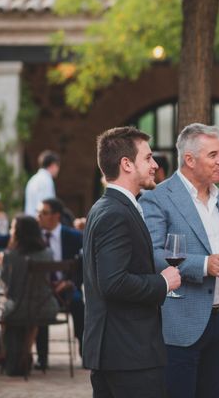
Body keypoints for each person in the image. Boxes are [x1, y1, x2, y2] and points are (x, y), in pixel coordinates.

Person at [140, 123, 219, 398]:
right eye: (213, 155)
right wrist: (204, 265)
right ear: (189, 159)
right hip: (180, 325)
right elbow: (153, 254)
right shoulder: (157, 199)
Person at [83, 127, 181, 398]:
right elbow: (113, 282)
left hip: (119, 351)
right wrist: (163, 282)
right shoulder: (115, 212)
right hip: (128, 354)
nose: (155, 165)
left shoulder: (108, 207)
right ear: (126, 164)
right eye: (148, 158)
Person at [0, 215, 59, 376]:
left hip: (20, 309)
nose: (11, 231)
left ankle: (7, 354)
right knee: (31, 314)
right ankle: (26, 352)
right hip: (46, 307)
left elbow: (7, 287)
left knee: (5, 313)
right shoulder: (48, 253)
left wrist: (4, 261)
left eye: (12, 228)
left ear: (18, 232)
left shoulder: (11, 255)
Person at [34, 197, 84, 370]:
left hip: (67, 288)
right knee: (37, 305)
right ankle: (42, 358)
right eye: (38, 212)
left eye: (44, 213)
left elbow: (85, 261)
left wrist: (71, 282)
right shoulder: (33, 236)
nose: (39, 216)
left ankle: (85, 353)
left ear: (56, 216)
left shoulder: (74, 236)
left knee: (78, 302)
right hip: (41, 290)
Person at [24, 150, 60, 217]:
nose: (58, 169)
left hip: (31, 222)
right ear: (53, 165)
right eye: (57, 166)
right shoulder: (46, 180)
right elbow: (47, 207)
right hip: (41, 223)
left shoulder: (32, 180)